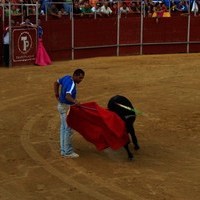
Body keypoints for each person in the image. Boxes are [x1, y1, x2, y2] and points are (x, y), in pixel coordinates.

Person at [54, 69, 85, 158]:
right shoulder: (71, 84)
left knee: (63, 128)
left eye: (82, 78)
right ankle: (67, 152)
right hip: (66, 107)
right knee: (68, 129)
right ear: (75, 75)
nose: (81, 80)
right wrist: (75, 102)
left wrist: (56, 95)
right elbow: (68, 96)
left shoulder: (67, 77)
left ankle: (63, 150)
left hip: (61, 106)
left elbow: (56, 83)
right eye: (80, 78)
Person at [107, 95, 140, 160]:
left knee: (123, 134)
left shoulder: (111, 103)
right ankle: (136, 145)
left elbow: (111, 114)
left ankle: (129, 154)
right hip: (131, 115)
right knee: (131, 129)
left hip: (125, 117)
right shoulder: (121, 100)